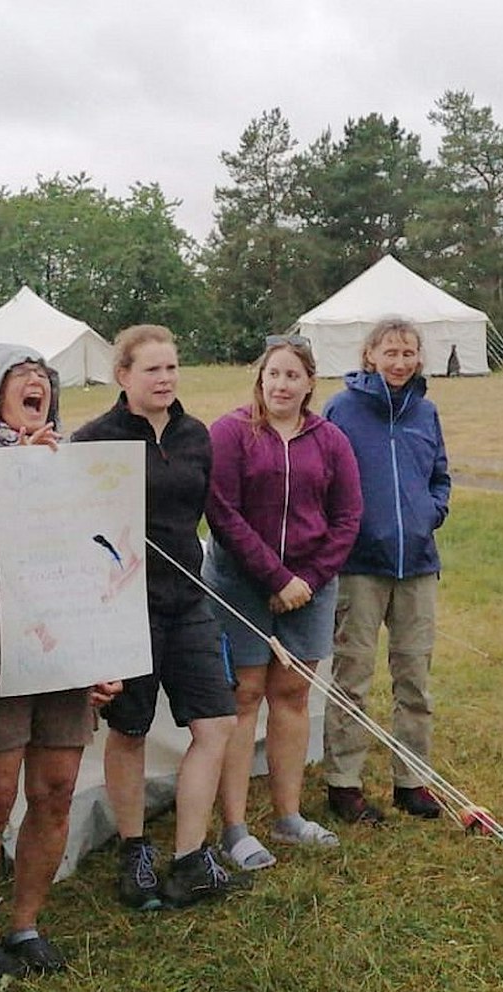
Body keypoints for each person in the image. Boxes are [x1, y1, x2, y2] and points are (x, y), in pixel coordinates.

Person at [0, 345, 121, 975]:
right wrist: (20, 478)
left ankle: (24, 925)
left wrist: (107, 648)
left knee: (55, 790)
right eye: (20, 377)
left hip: (64, 647)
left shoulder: (76, 463)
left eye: (42, 378)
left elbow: (101, 560)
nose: (35, 384)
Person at [76, 326, 244, 909]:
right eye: (152, 370)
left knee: (216, 723)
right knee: (131, 726)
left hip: (189, 599)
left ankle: (190, 857)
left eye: (171, 368)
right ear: (122, 375)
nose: (165, 379)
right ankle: (134, 850)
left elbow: (210, 513)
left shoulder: (196, 436)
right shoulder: (94, 439)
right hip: (127, 605)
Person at [204, 336, 363, 868]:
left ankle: (289, 815)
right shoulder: (229, 432)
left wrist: (308, 581)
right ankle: (234, 827)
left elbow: (347, 518)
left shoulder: (331, 440)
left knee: (292, 693)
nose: (281, 384)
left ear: (310, 382)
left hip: (310, 587)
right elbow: (222, 513)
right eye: (274, 374)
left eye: (292, 375)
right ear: (260, 377)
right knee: (244, 695)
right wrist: (273, 576)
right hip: (239, 584)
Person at [320, 318, 452, 820]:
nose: (399, 362)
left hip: (417, 562)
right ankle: (344, 781)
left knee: (415, 674)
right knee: (352, 673)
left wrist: (429, 513)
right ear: (370, 355)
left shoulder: (426, 411)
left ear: (419, 358)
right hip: (359, 563)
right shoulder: (342, 408)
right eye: (390, 352)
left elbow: (440, 474)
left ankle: (412, 778)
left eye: (408, 353)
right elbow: (325, 476)